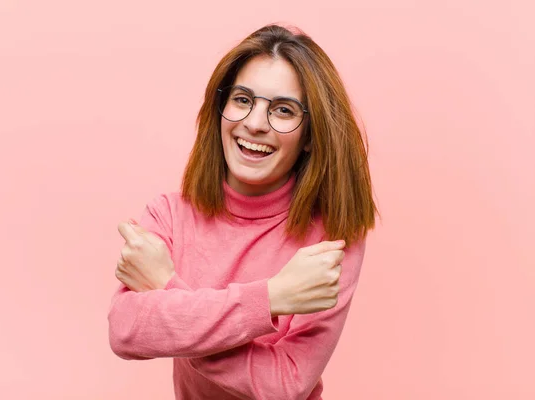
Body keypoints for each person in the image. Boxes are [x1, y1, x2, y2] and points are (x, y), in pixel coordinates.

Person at [108, 24, 378, 400]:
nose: (254, 124)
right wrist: (273, 297)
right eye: (242, 99)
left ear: (311, 137)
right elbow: (126, 331)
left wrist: (168, 289)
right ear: (221, 109)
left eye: (283, 110)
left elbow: (286, 383)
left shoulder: (331, 234)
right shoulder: (169, 214)